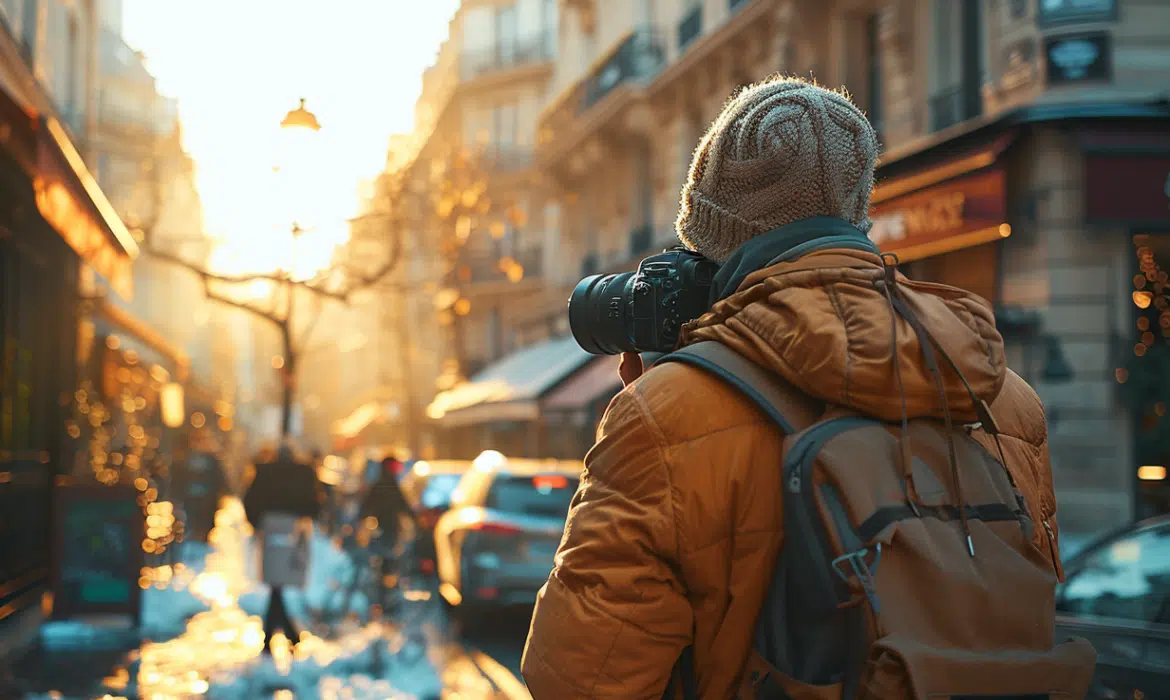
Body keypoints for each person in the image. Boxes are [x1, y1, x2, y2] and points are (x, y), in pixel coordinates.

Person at [522, 78, 1092, 698]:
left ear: (712, 243)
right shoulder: (1001, 398)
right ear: (857, 216)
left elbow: (581, 680)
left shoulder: (666, 417)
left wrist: (658, 402)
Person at [243, 443, 322, 653]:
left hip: (270, 528)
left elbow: (249, 501)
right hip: (294, 529)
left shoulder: (264, 473)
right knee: (277, 586)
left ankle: (277, 637)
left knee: (275, 586)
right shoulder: (303, 474)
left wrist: (256, 524)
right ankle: (286, 636)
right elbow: (315, 504)